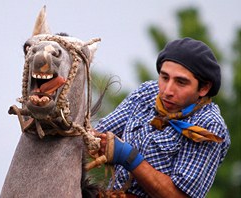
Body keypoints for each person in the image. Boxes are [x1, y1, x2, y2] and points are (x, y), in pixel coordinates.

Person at [93, 37, 230, 198]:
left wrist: (129, 157)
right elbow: (96, 136)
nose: (167, 90)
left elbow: (179, 196)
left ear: (204, 88)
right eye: (164, 78)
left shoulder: (209, 126)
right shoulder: (148, 92)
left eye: (181, 82)